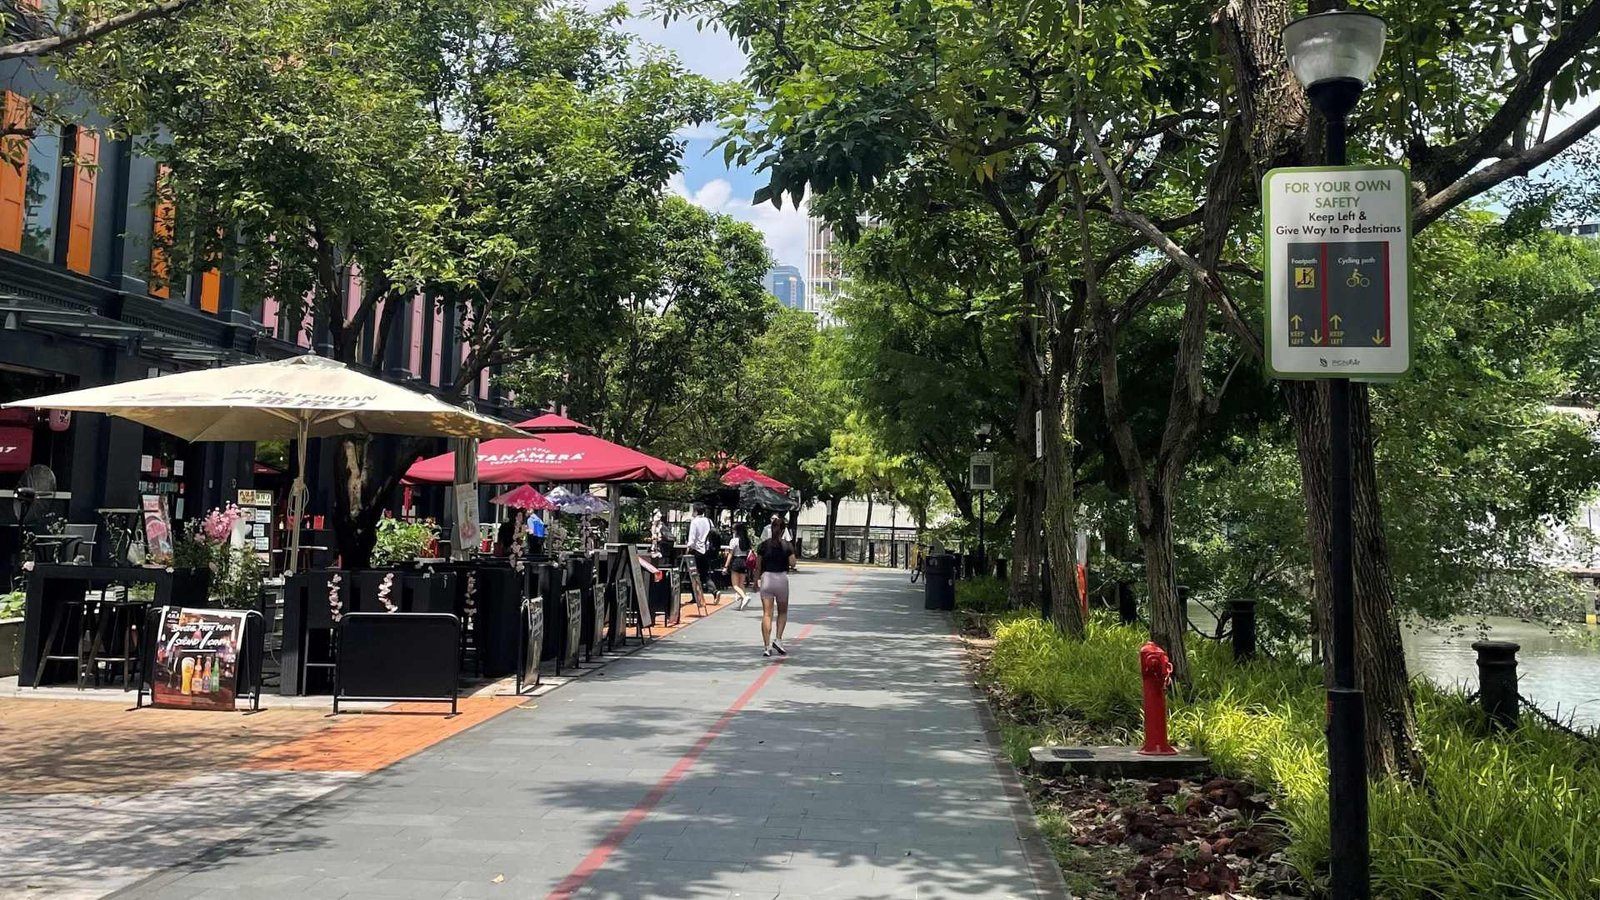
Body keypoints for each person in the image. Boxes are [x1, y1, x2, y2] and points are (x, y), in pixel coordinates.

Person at [754, 514, 796, 657]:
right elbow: (793, 563)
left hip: (767, 579)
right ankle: (778, 639)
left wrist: (755, 582)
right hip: (781, 579)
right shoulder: (787, 545)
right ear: (783, 531)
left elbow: (758, 566)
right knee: (782, 612)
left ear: (771, 529)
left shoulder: (763, 545)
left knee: (767, 614)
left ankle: (766, 646)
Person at [687, 503, 713, 605]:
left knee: (693, 574)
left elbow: (692, 539)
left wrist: (688, 548)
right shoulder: (709, 521)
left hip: (697, 551)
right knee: (705, 574)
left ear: (696, 511)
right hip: (707, 551)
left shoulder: (695, 522)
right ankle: (713, 590)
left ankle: (696, 596)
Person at [723, 521, 753, 610]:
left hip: (736, 561)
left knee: (735, 585)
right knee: (741, 584)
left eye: (733, 529)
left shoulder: (734, 541)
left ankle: (744, 597)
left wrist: (725, 567)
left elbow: (730, 554)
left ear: (736, 530)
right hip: (744, 562)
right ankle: (743, 602)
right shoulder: (746, 540)